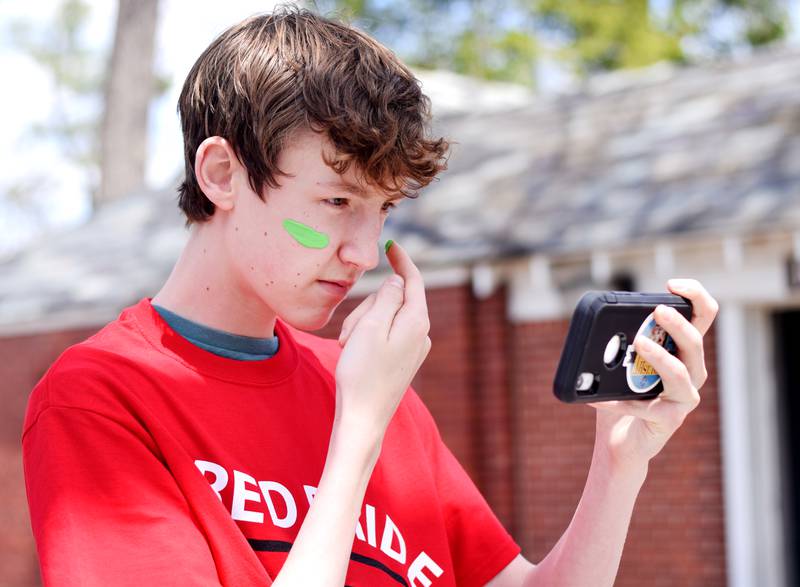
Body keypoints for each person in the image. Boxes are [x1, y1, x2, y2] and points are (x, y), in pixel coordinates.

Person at [21, 6, 719, 587]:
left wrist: (619, 463)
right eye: (336, 200)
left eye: (382, 210)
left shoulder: (365, 387)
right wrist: (357, 431)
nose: (362, 252)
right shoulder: (100, 396)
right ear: (222, 173)